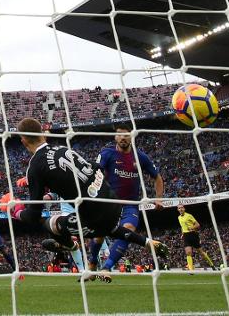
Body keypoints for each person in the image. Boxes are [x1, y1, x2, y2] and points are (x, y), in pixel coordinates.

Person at [11, 118, 168, 277]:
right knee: (109, 228)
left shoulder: (35, 166)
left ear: (23, 141)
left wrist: (14, 210)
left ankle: (71, 246)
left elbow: (33, 215)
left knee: (50, 224)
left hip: (96, 216)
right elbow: (94, 167)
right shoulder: (63, 149)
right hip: (112, 203)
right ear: (43, 135)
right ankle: (147, 242)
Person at [89, 123, 165, 278]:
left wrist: (158, 198)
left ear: (131, 135)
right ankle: (92, 264)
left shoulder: (141, 157)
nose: (123, 137)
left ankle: (107, 268)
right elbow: (96, 172)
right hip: (110, 204)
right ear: (115, 137)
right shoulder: (107, 154)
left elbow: (157, 177)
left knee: (128, 230)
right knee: (99, 235)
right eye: (119, 134)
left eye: (126, 134)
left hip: (131, 204)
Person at [177, 204, 216, 271]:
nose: (180, 209)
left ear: (184, 209)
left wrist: (192, 227)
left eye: (182, 208)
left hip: (193, 235)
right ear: (178, 210)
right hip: (186, 236)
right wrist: (182, 233)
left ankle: (212, 265)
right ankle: (191, 270)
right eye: (179, 208)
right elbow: (182, 226)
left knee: (201, 252)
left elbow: (198, 225)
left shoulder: (189, 215)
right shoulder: (179, 217)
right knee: (188, 252)